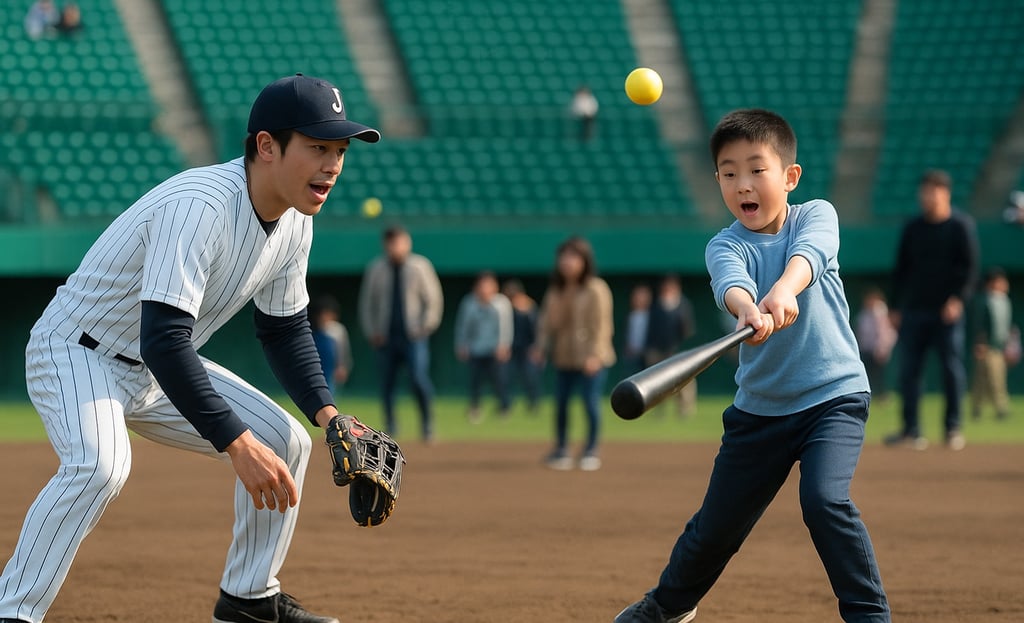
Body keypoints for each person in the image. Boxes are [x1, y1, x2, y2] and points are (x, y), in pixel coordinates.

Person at [0, 74, 381, 623]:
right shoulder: (200, 206)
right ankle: (14, 611)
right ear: (267, 146)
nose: (333, 164)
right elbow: (163, 338)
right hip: (78, 352)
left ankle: (249, 600)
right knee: (100, 466)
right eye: (318, 146)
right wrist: (234, 442)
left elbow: (284, 329)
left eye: (340, 150)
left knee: (287, 440)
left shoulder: (296, 221)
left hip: (155, 370)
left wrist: (329, 414)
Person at [615, 109, 890, 623]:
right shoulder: (724, 243)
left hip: (833, 397)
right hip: (760, 411)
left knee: (824, 501)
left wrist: (785, 290)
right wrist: (748, 307)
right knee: (717, 526)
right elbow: (730, 283)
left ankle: (869, 616)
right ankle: (667, 608)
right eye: (728, 172)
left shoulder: (816, 215)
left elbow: (811, 254)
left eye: (756, 169)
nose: (743, 183)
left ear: (790, 177)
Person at [885, 169, 979, 451]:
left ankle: (953, 428)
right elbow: (900, 269)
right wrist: (894, 306)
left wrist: (957, 299)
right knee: (909, 371)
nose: (927, 196)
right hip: (914, 311)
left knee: (952, 370)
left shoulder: (960, 226)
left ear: (945, 193)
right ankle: (911, 430)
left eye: (933, 191)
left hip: (945, 313)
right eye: (924, 191)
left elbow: (970, 269)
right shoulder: (913, 227)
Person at [532, 236, 615, 471]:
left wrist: (595, 355)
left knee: (590, 403)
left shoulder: (596, 289)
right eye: (564, 257)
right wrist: (540, 347)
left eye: (573, 257)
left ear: (584, 261)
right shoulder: (556, 291)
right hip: (564, 356)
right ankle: (561, 449)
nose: (567, 262)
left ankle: (591, 449)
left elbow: (603, 326)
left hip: (591, 358)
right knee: (561, 403)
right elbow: (546, 323)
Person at [358, 225, 443, 442]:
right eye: (390, 242)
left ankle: (427, 425)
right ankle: (391, 428)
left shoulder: (420, 266)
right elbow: (367, 303)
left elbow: (433, 300)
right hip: (386, 337)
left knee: (418, 379)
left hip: (414, 337)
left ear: (407, 242)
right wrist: (372, 331)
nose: (394, 247)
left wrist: (425, 327)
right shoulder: (376, 268)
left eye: (398, 241)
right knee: (387, 384)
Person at [455, 271, 513, 422]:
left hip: (495, 349)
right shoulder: (469, 303)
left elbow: (506, 326)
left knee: (499, 379)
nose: (484, 288)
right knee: (475, 381)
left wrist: (504, 345)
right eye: (482, 285)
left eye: (488, 285)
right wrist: (462, 344)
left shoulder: (502, 303)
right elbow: (463, 326)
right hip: (476, 349)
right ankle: (475, 408)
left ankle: (504, 408)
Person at [644, 275, 698, 417]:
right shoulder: (656, 306)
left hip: (677, 351)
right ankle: (658, 409)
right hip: (658, 350)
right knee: (657, 382)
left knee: (685, 382)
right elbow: (651, 328)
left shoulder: (683, 305)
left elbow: (687, 330)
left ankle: (684, 410)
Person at [970, 267, 1014, 421]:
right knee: (984, 380)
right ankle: (979, 409)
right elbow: (980, 323)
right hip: (987, 346)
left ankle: (999, 408)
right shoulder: (985, 300)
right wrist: (980, 342)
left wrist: (1010, 345)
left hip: (999, 346)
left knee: (997, 378)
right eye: (1000, 281)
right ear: (991, 283)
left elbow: (1006, 326)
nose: (1004, 284)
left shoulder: (1004, 300)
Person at [502, 278, 542, 412]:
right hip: (511, 348)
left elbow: (537, 330)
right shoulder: (506, 308)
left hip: (527, 349)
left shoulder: (530, 307)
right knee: (506, 378)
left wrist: (537, 348)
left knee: (530, 378)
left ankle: (534, 404)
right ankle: (507, 405)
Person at [855, 287, 897, 402]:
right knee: (867, 374)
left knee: (879, 374)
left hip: (877, 349)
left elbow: (883, 331)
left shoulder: (879, 310)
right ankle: (869, 393)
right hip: (866, 349)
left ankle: (883, 395)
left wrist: (882, 348)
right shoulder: (864, 312)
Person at [309, 295, 353, 397]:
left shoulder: (337, 331)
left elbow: (343, 351)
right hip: (317, 368)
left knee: (329, 395)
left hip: (330, 371)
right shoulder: (312, 330)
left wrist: (343, 366)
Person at [623, 283, 652, 374]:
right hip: (631, 356)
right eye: (636, 296)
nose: (638, 299)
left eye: (642, 296)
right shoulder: (630, 316)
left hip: (646, 358)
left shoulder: (651, 316)